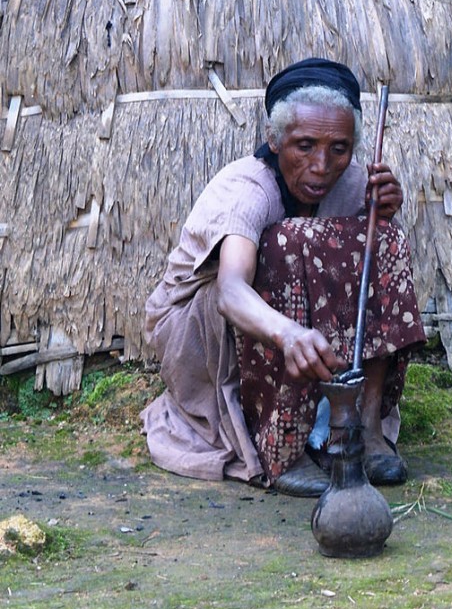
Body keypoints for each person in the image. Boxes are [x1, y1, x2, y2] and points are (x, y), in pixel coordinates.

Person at [140, 58, 426, 497]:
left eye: (339, 149)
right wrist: (289, 334)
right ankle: (282, 446)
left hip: (294, 338)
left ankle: (362, 429)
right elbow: (230, 290)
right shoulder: (247, 189)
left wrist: (380, 216)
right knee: (286, 244)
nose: (321, 165)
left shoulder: (353, 183)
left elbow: (372, 280)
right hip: (204, 335)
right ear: (274, 140)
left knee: (382, 239)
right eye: (304, 146)